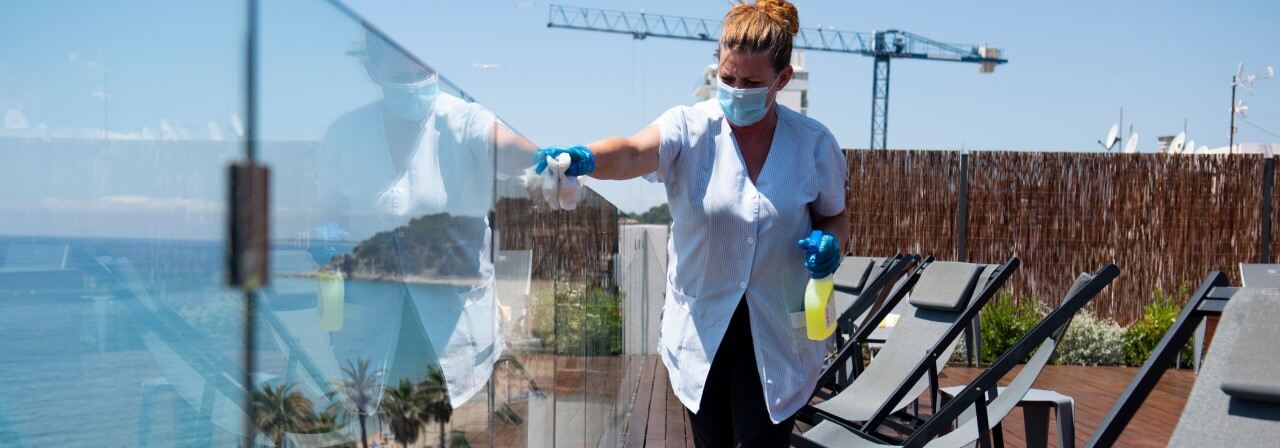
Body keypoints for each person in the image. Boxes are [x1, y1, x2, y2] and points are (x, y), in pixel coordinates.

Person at [535, 1, 848, 445]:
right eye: (727, 78)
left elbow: (835, 215)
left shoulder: (814, 145)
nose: (737, 90)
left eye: (752, 83)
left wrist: (832, 244)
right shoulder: (689, 127)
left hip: (778, 329)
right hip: (704, 327)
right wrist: (586, 159)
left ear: (782, 80)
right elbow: (632, 150)